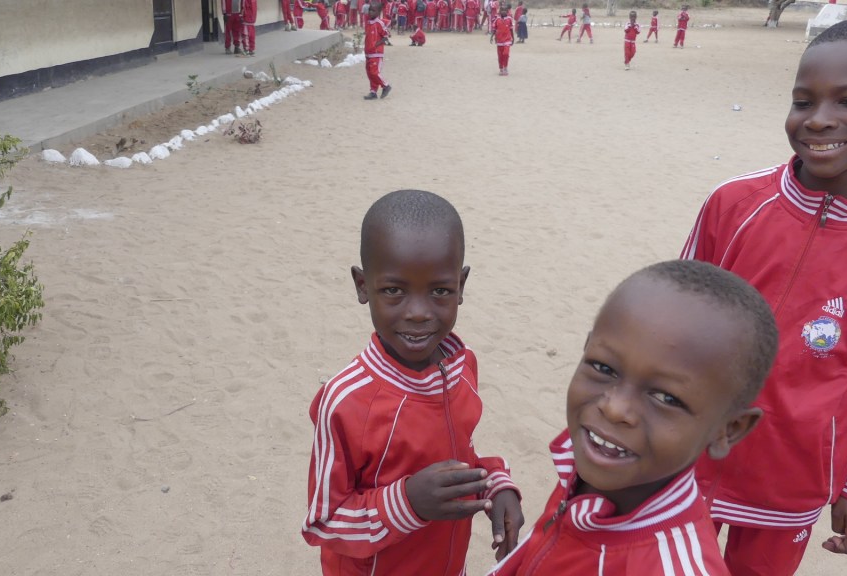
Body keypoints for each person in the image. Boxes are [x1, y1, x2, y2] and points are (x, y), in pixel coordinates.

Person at [680, 19, 847, 575]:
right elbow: (672, 323)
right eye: (802, 101)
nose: (818, 119)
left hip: (792, 479)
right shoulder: (734, 203)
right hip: (691, 457)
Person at [487, 259, 779, 575]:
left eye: (666, 398)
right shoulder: (591, 462)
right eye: (603, 367)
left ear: (728, 430)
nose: (614, 408)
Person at [302, 190, 524, 575]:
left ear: (461, 285)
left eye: (440, 291)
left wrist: (496, 485)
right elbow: (324, 522)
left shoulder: (462, 366)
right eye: (394, 291)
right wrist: (407, 503)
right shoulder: (344, 401)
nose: (419, 313)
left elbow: (458, 456)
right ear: (362, 285)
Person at [361, 3, 393, 100]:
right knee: (370, 73)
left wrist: (376, 44)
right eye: (370, 10)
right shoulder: (368, 22)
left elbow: (386, 36)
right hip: (368, 53)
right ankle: (373, 92)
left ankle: (386, 85)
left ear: (379, 12)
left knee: (374, 72)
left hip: (376, 53)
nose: (370, 12)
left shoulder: (379, 23)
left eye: (373, 10)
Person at [493, 4, 514, 75]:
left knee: (506, 54)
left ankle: (505, 67)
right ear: (500, 11)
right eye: (502, 10)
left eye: (505, 10)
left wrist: (513, 38)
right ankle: (501, 69)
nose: (503, 12)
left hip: (507, 40)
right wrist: (492, 37)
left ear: (507, 11)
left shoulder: (509, 19)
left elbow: (511, 29)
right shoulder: (497, 19)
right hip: (499, 40)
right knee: (500, 55)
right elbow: (494, 29)